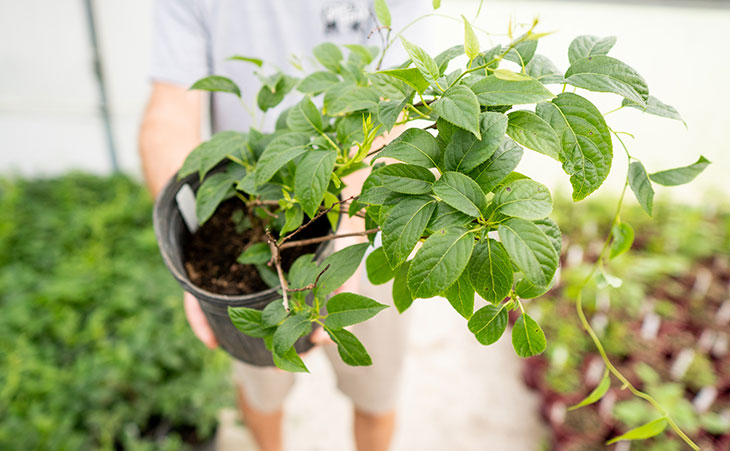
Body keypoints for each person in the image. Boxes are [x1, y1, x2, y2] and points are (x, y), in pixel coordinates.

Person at [138, 1, 425, 450]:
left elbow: (394, 108)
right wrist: (184, 236)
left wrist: (349, 228)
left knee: (376, 393)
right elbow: (170, 113)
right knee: (260, 393)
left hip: (364, 223)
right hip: (246, 201)